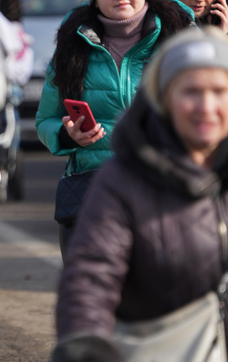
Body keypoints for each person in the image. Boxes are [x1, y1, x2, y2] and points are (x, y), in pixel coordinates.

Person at [51, 25, 228, 362]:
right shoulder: (123, 180)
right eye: (191, 91)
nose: (206, 106)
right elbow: (91, 276)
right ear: (164, 99)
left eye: (220, 91)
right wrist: (85, 346)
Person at [35, 0, 195, 255]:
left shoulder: (180, 38)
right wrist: (67, 135)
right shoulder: (71, 45)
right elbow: (45, 120)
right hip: (94, 193)